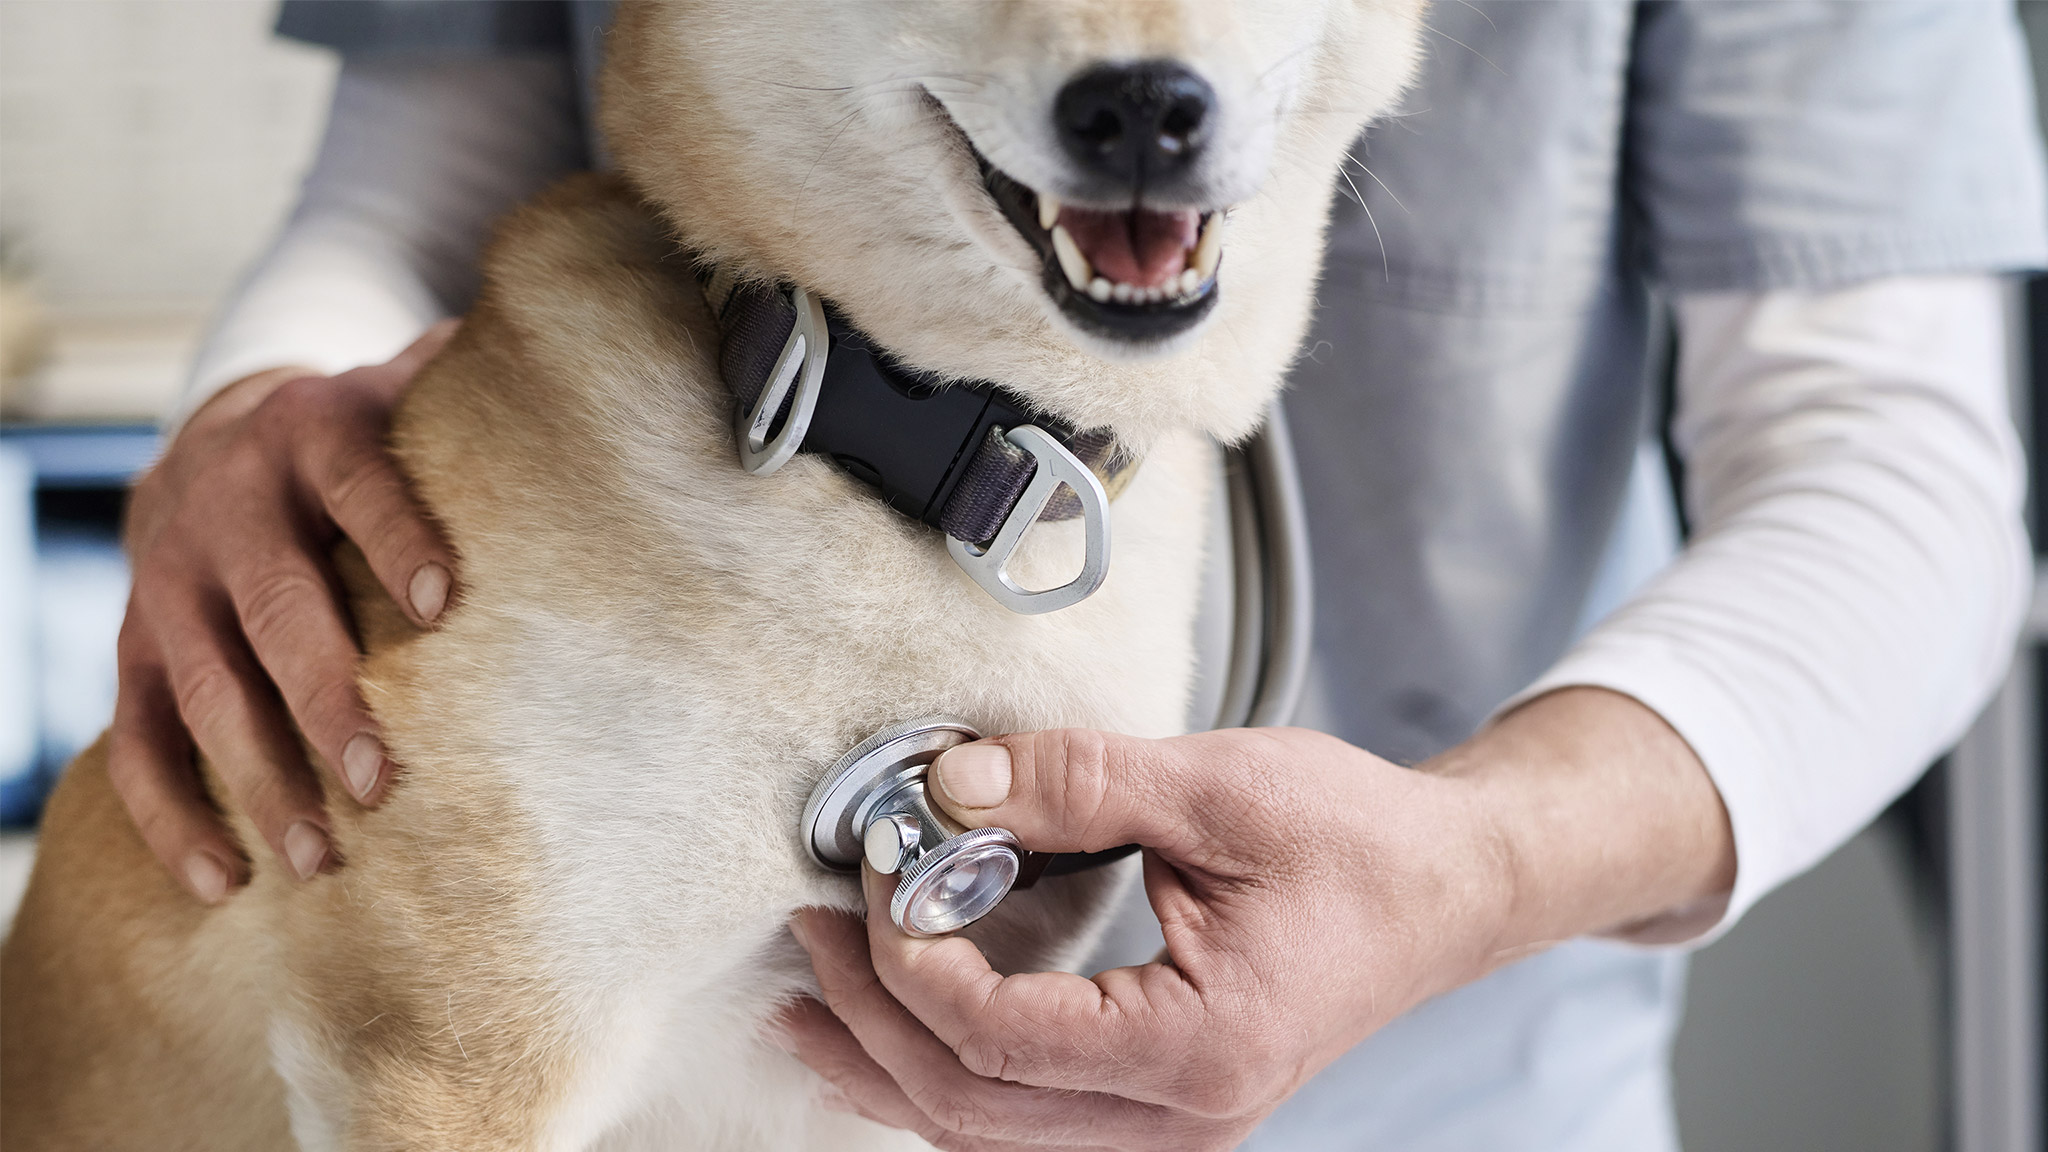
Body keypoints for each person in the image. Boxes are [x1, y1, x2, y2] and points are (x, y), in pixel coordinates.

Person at [112, 1, 2046, 1148]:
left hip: (1456, 1096)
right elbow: (417, 179)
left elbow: (1900, 469)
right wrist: (263, 405)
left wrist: (1478, 868)